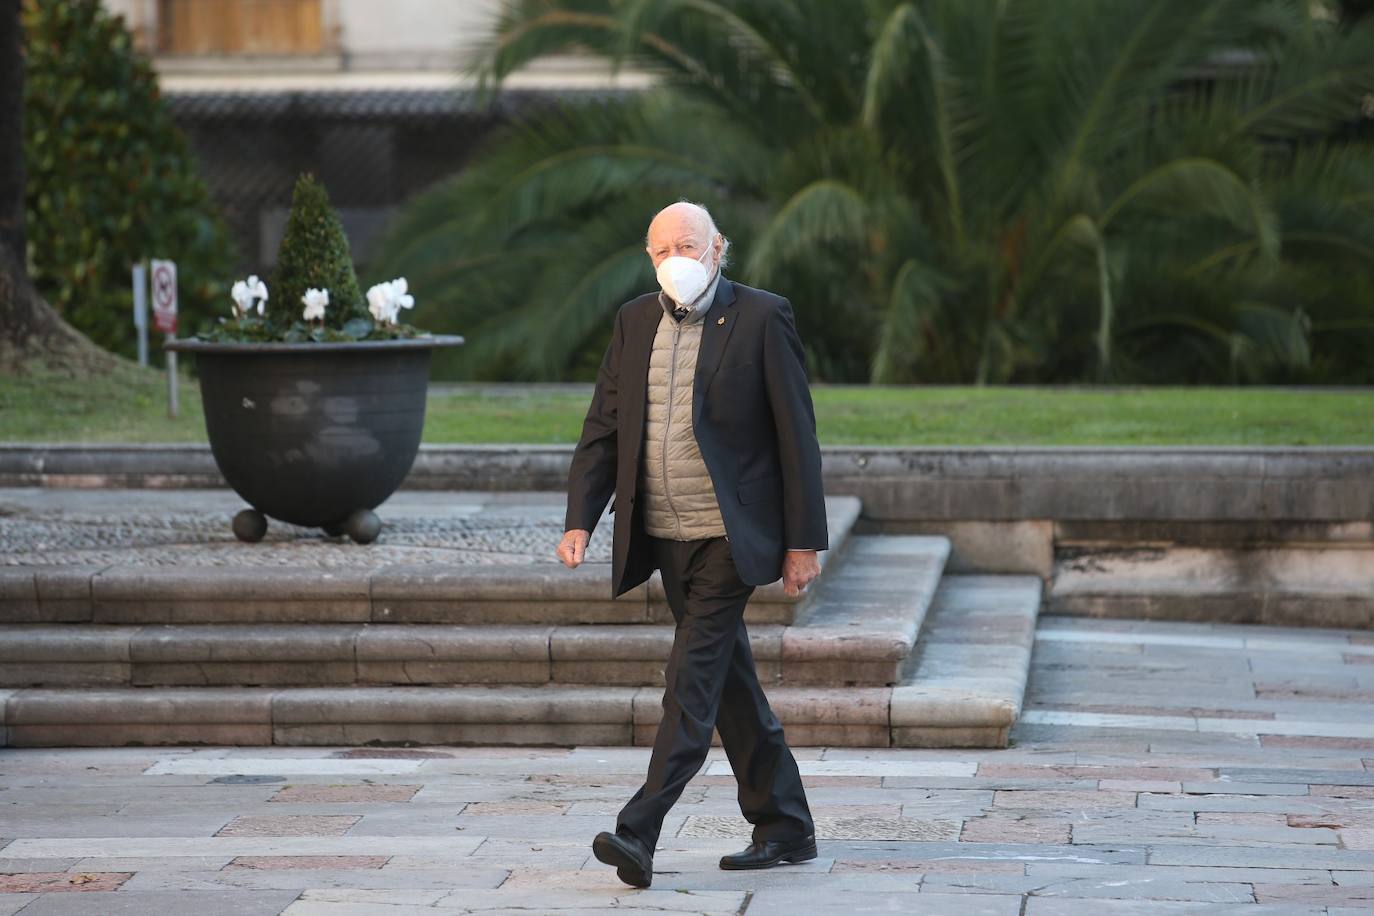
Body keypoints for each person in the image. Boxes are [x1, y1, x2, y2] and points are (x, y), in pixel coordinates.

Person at [557, 200, 828, 888]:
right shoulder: (633, 321)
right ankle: (786, 825)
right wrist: (580, 519)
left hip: (727, 538)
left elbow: (798, 437)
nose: (673, 256)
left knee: (691, 681)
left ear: (717, 249)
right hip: (665, 534)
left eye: (687, 243)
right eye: (659, 248)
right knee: (729, 683)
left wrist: (804, 541)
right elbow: (603, 428)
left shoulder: (763, 318)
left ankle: (638, 832)